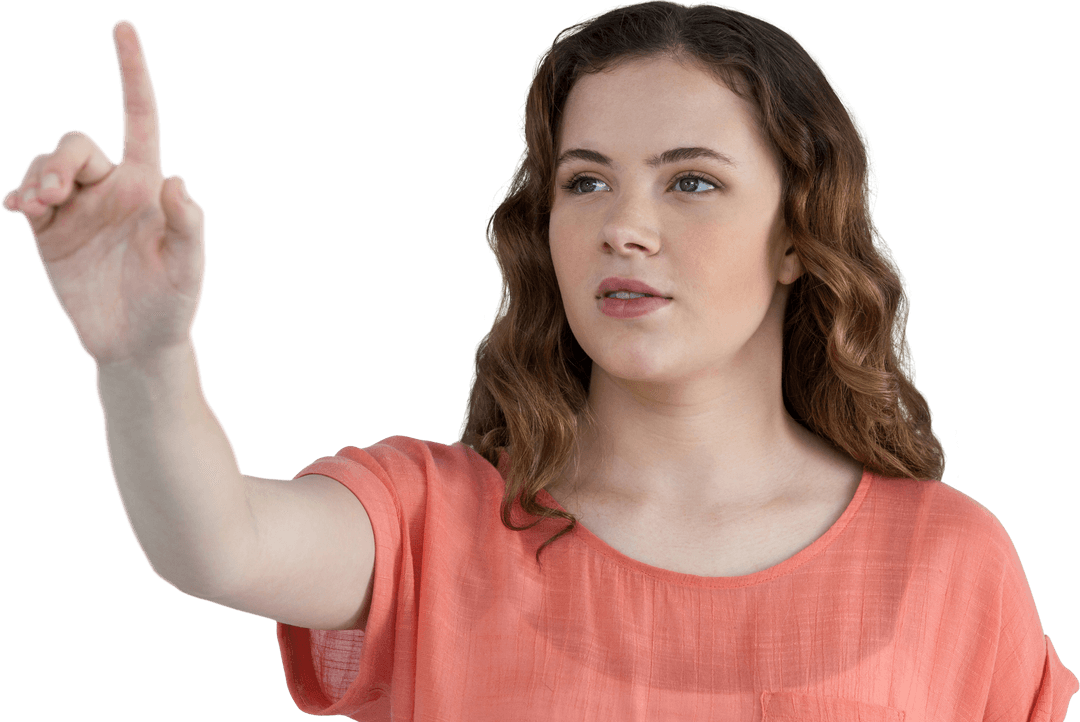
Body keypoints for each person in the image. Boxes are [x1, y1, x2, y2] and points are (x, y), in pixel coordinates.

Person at [4, 1, 1076, 720]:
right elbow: (216, 543)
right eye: (586, 181)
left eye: (691, 181)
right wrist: (143, 356)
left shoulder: (951, 561)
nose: (625, 227)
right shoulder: (433, 524)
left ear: (797, 233)